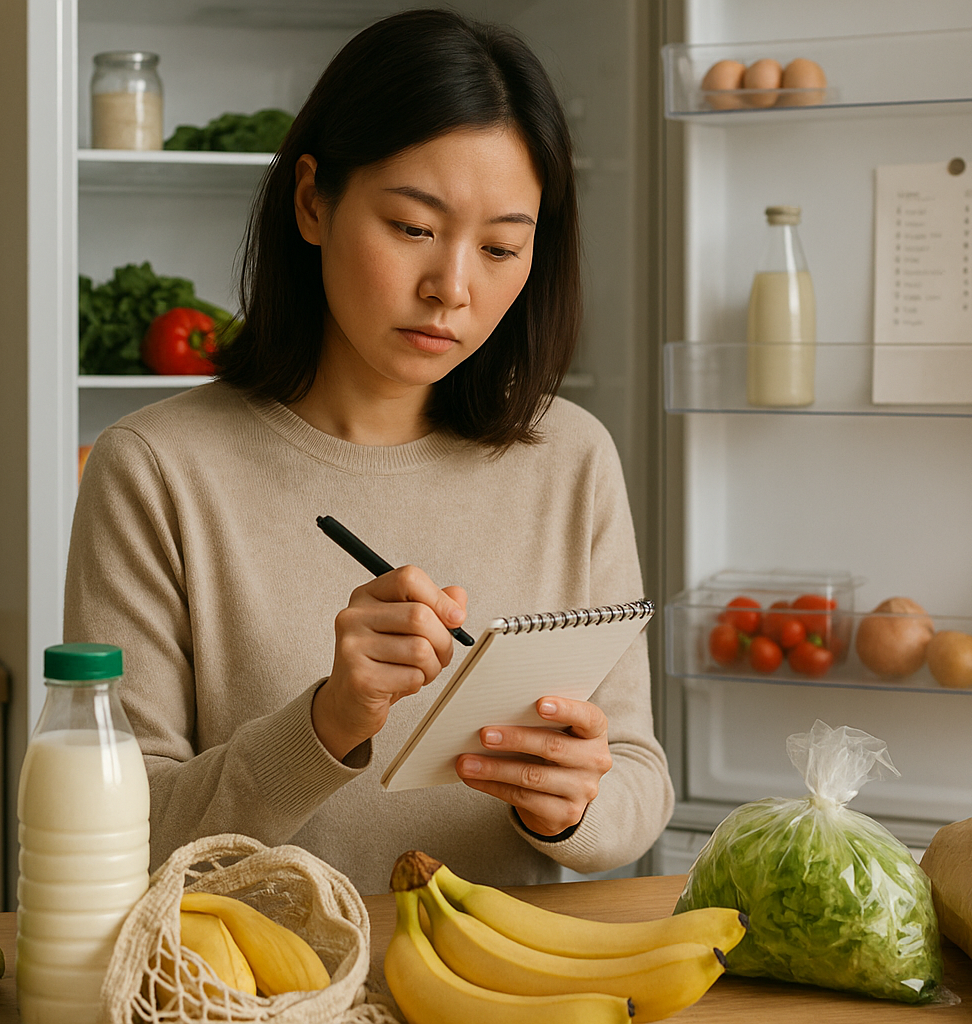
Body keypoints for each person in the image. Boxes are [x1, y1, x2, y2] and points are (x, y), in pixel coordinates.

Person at [64, 8, 673, 897]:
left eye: (500, 247)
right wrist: (326, 722)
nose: (451, 288)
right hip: (256, 969)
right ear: (313, 201)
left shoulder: (571, 457)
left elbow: (638, 777)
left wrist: (570, 807)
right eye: (414, 228)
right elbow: (125, 832)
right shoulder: (154, 469)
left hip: (497, 968)